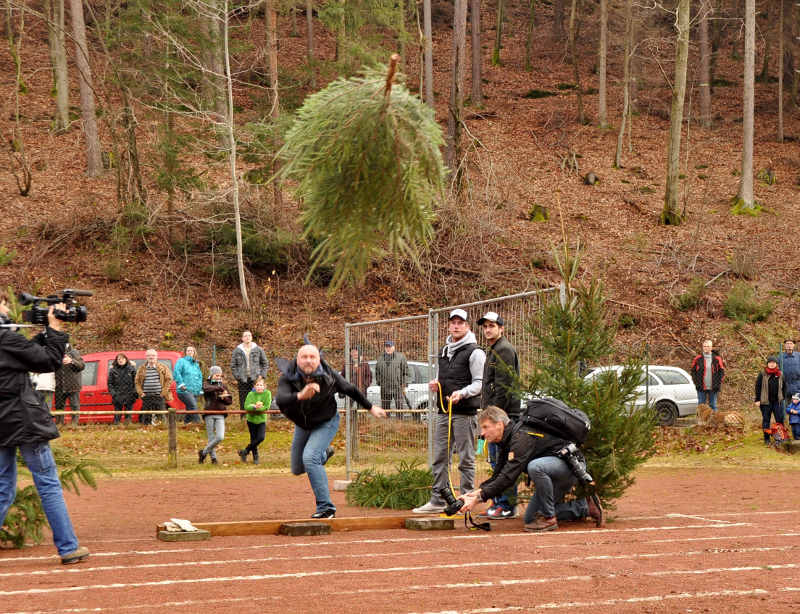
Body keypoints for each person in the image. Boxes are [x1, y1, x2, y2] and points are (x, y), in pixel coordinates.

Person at [0, 291, 89, 564]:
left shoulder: (8, 339)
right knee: (48, 482)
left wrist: (45, 334)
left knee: (3, 485)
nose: (7, 307)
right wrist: (56, 328)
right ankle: (68, 547)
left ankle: (68, 546)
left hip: (2, 422)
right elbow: (48, 362)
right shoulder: (7, 338)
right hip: (23, 420)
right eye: (2, 303)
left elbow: (25, 355)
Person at [276, 344, 386, 518]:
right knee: (298, 468)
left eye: (312, 357)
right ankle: (324, 454)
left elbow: (350, 389)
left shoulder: (329, 376)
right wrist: (300, 395)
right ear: (297, 360)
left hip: (326, 421)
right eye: (304, 357)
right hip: (303, 424)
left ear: (318, 359)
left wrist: (371, 407)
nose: (308, 361)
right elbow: (281, 399)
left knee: (310, 458)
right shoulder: (288, 377)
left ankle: (326, 508)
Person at [458, 406, 604, 532]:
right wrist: (473, 495)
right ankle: (584, 507)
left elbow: (509, 477)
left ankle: (549, 519)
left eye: (485, 427)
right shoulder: (506, 441)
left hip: (569, 467)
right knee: (530, 518)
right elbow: (499, 476)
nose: (482, 433)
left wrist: (478, 499)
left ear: (499, 424)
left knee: (535, 467)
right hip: (553, 474)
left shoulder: (521, 437)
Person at [413, 309, 485, 514]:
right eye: (453, 322)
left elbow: (479, 383)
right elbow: (441, 376)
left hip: (465, 413)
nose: (456, 326)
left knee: (466, 458)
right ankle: (438, 500)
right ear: (449, 326)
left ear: (467, 326)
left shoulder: (475, 352)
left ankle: (466, 499)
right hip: (444, 412)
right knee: (439, 456)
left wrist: (461, 394)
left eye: (460, 323)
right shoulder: (444, 351)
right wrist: (437, 384)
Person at [477, 311, 520, 519]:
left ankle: (506, 505)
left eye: (492, 326)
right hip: (494, 416)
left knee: (503, 462)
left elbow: (504, 387)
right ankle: (499, 502)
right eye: (485, 326)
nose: (488, 329)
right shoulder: (493, 349)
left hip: (503, 418)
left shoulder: (504, 350)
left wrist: (496, 419)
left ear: (501, 328)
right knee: (495, 461)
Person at [231, 330, 269, 420]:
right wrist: (238, 376)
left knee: (256, 398)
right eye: (245, 336)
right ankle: (244, 418)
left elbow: (265, 363)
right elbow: (233, 365)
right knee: (243, 399)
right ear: (242, 338)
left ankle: (256, 417)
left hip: (255, 379)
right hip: (243, 379)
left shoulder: (258, 349)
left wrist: (262, 376)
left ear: (251, 337)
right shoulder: (237, 350)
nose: (247, 337)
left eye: (249, 335)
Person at [199, 366, 232, 464]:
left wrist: (224, 398)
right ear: (212, 374)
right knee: (211, 437)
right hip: (209, 413)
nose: (218, 377)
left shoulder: (223, 386)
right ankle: (214, 458)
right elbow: (206, 389)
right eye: (217, 375)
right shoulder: (206, 383)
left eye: (220, 375)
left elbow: (229, 401)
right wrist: (219, 388)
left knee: (220, 437)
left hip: (220, 413)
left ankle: (203, 452)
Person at [134, 349, 173, 426]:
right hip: (146, 396)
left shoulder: (163, 367)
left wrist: (163, 393)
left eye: (153, 355)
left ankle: (162, 429)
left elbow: (169, 379)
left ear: (156, 357)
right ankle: (147, 430)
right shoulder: (141, 368)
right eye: (149, 355)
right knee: (146, 416)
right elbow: (137, 382)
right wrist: (141, 393)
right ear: (146, 357)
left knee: (161, 415)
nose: (151, 357)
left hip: (159, 395)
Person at [754, 356, 787, 445]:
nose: (772, 364)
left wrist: (783, 397)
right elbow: (758, 387)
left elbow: (784, 386)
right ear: (767, 364)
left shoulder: (780, 374)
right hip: (765, 402)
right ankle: (767, 439)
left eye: (773, 363)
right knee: (766, 420)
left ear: (776, 364)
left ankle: (780, 438)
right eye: (770, 362)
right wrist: (757, 399)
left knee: (779, 420)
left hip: (777, 402)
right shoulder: (762, 374)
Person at [239, 376, 271, 464]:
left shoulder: (267, 393)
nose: (259, 387)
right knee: (253, 439)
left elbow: (266, 407)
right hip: (251, 420)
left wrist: (258, 408)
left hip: (261, 420)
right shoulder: (251, 394)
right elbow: (246, 406)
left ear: (264, 386)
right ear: (254, 386)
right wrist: (254, 406)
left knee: (261, 437)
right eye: (257, 385)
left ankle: (245, 451)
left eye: (261, 385)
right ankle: (255, 457)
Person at [374, 340, 411, 412]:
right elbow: (377, 372)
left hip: (398, 387)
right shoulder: (380, 358)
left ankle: (399, 422)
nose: (388, 348)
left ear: (394, 347)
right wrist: (380, 382)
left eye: (390, 347)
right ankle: (386, 423)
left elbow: (406, 371)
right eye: (386, 347)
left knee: (399, 408)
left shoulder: (400, 357)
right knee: (385, 408)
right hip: (385, 388)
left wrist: (404, 383)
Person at [690, 339, 725, 411]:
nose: (706, 348)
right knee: (701, 406)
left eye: (708, 346)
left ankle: (714, 421)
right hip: (701, 387)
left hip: (713, 387)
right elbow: (693, 371)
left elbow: (721, 372)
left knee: (713, 405)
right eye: (704, 346)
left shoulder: (717, 358)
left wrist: (718, 384)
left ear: (711, 347)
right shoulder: (698, 358)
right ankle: (701, 421)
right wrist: (696, 383)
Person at [54, 342, 84, 425]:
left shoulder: (74, 352)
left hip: (73, 386)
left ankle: (74, 425)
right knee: (59, 407)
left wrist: (72, 361)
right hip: (59, 386)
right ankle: (59, 425)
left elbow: (82, 366)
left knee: (74, 406)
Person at [173, 346, 204, 424]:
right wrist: (181, 384)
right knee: (193, 406)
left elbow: (200, 377)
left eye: (192, 351)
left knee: (190, 407)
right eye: (188, 350)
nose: (190, 352)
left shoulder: (196, 364)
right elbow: (176, 372)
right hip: (184, 390)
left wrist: (199, 388)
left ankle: (186, 423)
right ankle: (198, 423)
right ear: (185, 352)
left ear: (194, 353)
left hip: (194, 390)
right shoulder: (181, 361)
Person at [108, 353, 137, 424]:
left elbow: (136, 382)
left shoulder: (131, 369)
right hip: (118, 396)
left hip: (129, 395)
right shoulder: (113, 370)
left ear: (126, 359)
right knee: (117, 416)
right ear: (116, 360)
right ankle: (116, 429)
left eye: (123, 358)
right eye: (119, 359)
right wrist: (114, 394)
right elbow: (110, 384)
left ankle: (128, 428)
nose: (121, 360)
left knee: (128, 417)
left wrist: (134, 393)